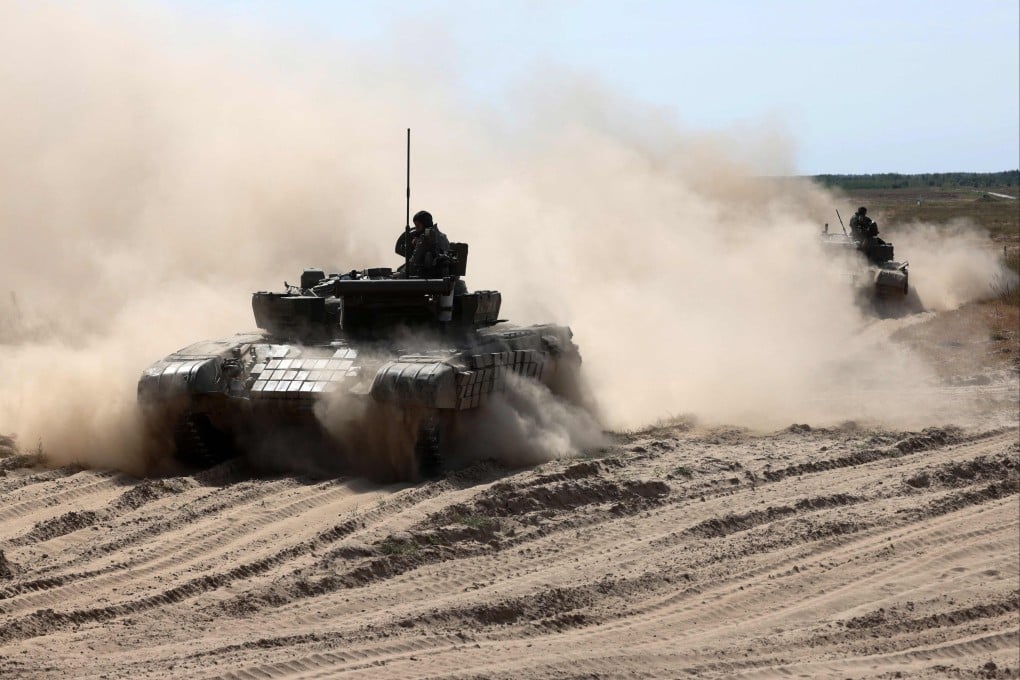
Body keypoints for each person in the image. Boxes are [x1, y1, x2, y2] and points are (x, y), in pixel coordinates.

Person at [394, 210, 451, 278]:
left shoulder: (425, 238)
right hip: (442, 275)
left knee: (399, 272)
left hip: (429, 277)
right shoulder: (442, 236)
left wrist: (401, 275)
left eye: (418, 226)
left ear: (425, 224)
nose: (416, 229)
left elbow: (413, 262)